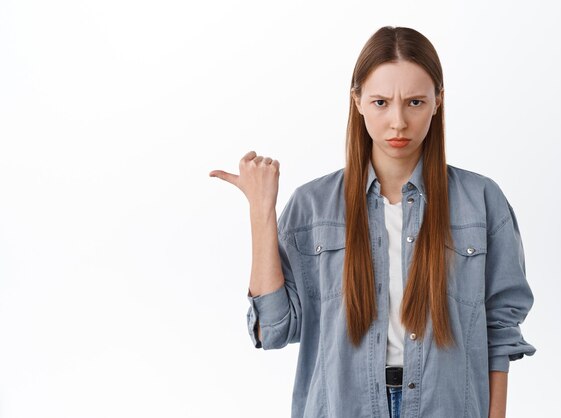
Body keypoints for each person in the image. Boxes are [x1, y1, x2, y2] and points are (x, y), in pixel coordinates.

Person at [210, 26, 536, 418]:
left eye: (415, 102)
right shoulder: (313, 206)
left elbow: (499, 331)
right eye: (381, 102)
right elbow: (274, 330)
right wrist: (261, 210)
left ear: (438, 102)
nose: (398, 121)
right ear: (358, 101)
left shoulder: (480, 202)